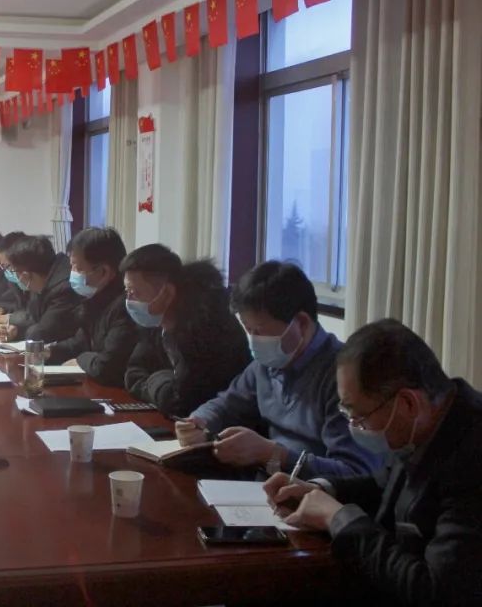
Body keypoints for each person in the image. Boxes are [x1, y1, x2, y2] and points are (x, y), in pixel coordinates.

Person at [265, 320, 482, 606]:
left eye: (359, 416)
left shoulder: (472, 455)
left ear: (407, 403)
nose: (355, 427)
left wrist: (338, 518)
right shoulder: (426, 423)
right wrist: (321, 490)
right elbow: (386, 486)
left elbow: (437, 592)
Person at [178, 262, 381, 479]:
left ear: (301, 323)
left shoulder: (343, 377)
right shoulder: (266, 364)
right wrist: (200, 421)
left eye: (260, 330)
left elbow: (354, 473)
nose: (254, 340)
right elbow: (226, 404)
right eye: (248, 330)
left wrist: (274, 454)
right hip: (265, 486)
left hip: (312, 493)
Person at [121, 244, 250, 416]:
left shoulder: (206, 328)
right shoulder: (155, 322)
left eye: (135, 292)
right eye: (127, 291)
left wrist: (154, 380)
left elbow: (181, 403)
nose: (129, 300)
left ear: (167, 293)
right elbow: (133, 373)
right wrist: (162, 381)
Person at [46, 227, 141, 387]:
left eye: (78, 268)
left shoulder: (126, 307)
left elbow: (106, 367)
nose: (72, 274)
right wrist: (47, 352)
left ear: (104, 272)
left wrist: (80, 360)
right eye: (71, 267)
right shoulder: (94, 299)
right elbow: (80, 342)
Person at [0, 235, 81, 343]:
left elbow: (43, 332)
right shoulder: (40, 279)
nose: (16, 277)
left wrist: (23, 332)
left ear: (26, 275)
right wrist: (16, 330)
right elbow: (35, 319)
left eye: (13, 270)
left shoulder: (64, 288)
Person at [0, 231, 30, 321]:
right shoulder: (16, 282)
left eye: (7, 266)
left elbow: (37, 318)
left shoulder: (38, 285)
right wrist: (2, 310)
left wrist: (10, 319)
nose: (7, 271)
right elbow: (20, 308)